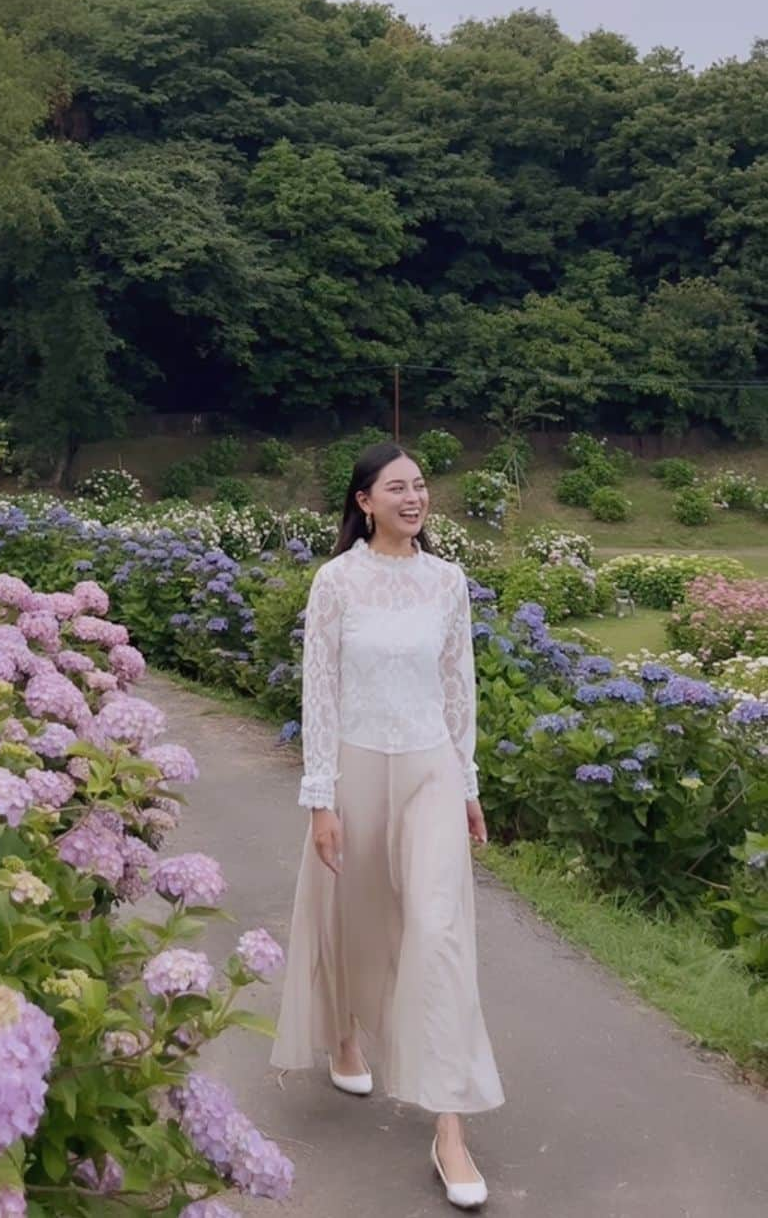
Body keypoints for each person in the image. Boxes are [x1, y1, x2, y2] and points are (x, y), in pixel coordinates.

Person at [271, 440, 503, 1210]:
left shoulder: (448, 582)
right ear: (364, 501)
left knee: (439, 934)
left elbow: (457, 686)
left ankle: (450, 1132)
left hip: (431, 769)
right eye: (397, 487)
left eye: (423, 485)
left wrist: (468, 784)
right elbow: (321, 693)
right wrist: (322, 798)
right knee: (357, 915)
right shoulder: (336, 582)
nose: (416, 497)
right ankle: (345, 1033)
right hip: (358, 767)